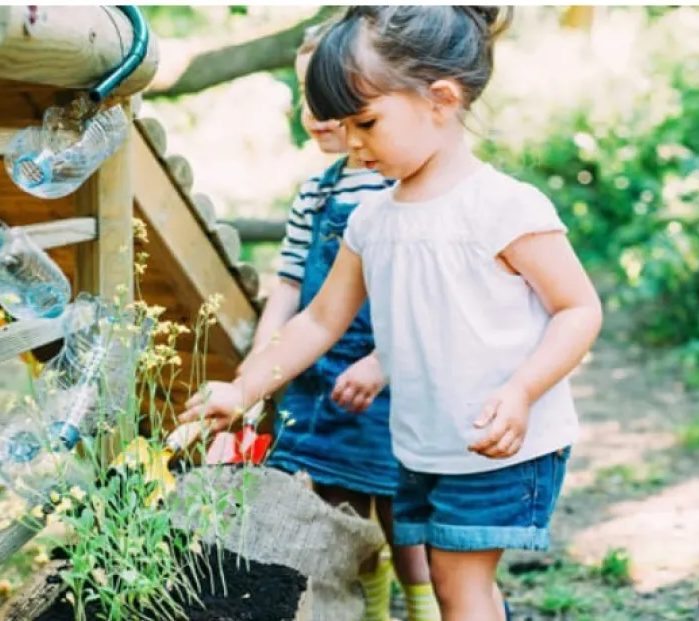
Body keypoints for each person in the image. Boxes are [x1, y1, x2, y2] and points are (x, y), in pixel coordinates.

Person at [181, 7, 603, 621]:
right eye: (342, 124)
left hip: (502, 442)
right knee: (444, 576)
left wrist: (522, 390)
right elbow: (318, 321)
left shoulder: (504, 207)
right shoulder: (370, 220)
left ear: (440, 99)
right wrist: (245, 388)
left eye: (366, 121)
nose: (351, 141)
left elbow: (578, 309)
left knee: (458, 586)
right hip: (423, 444)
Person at [242, 22, 439, 621]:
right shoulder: (315, 193)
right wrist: (259, 365)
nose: (320, 114)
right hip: (320, 372)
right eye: (308, 97)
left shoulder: (406, 178)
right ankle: (367, 602)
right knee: (335, 502)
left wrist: (385, 359)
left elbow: (429, 293)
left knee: (404, 508)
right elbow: (290, 287)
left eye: (335, 100)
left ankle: (423, 602)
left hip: (398, 373)